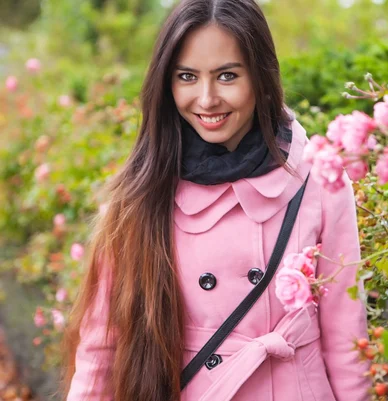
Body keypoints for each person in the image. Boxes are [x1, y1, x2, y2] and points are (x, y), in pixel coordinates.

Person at [62, 0, 370, 400]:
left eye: (227, 76)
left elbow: (347, 336)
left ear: (261, 76)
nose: (206, 100)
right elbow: (101, 347)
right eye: (187, 77)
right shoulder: (145, 189)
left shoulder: (317, 178)